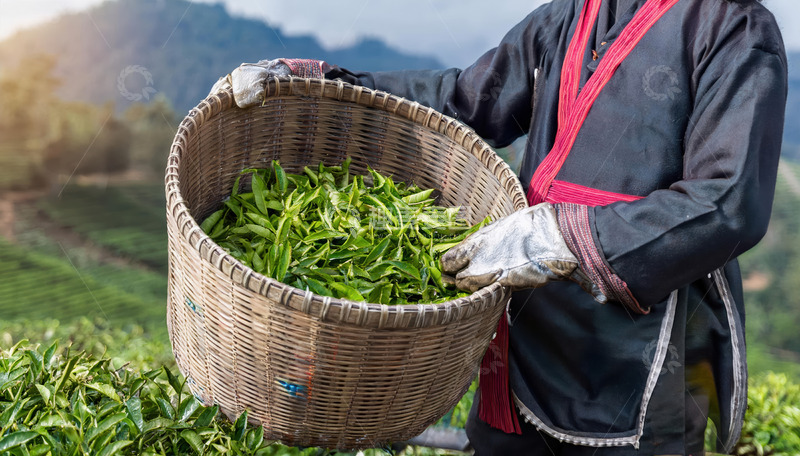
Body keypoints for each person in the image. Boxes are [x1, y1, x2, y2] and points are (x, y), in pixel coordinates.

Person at [210, 0, 787, 454]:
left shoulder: (732, 26)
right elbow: (463, 101)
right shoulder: (568, 16)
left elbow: (728, 201)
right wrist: (320, 82)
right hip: (524, 338)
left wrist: (560, 237)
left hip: (632, 363)